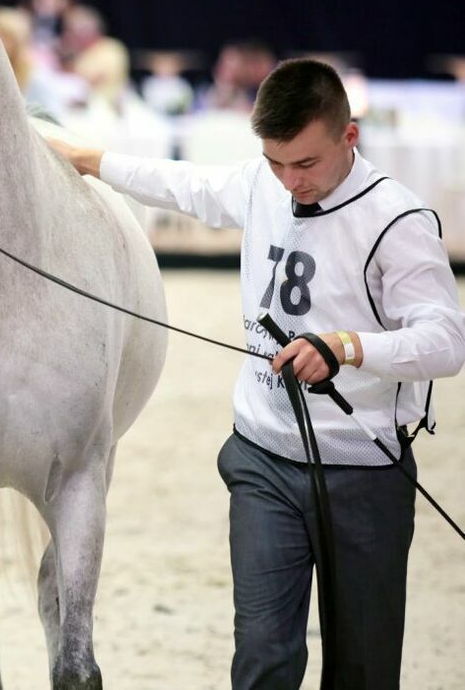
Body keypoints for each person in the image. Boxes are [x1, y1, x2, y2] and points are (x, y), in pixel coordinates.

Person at [47, 58, 465, 689]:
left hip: (364, 473)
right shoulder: (261, 183)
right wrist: (87, 158)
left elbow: (447, 341)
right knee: (264, 660)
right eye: (275, 162)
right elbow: (177, 182)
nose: (289, 180)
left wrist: (350, 346)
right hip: (262, 459)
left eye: (306, 164)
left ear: (349, 136)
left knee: (362, 669)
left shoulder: (397, 220)